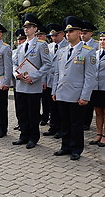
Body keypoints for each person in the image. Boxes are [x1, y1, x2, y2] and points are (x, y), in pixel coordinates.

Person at [52, 16, 96, 160]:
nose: (68, 34)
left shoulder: (87, 51)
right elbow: (57, 73)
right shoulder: (62, 51)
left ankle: (76, 148)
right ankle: (65, 146)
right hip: (62, 92)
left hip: (77, 94)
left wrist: (85, 96)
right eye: (67, 31)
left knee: (76, 123)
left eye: (71, 31)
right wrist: (54, 90)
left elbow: (90, 76)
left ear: (79, 32)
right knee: (64, 122)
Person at [12, 13, 51, 149]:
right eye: (25, 27)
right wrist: (16, 74)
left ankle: (33, 137)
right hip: (21, 84)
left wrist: (34, 76)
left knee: (33, 113)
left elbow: (47, 64)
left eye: (29, 27)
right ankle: (24, 135)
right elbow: (14, 63)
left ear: (35, 29)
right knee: (22, 112)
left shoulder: (41, 45)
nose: (26, 29)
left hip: (33, 85)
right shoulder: (21, 46)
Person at [42, 23, 68, 138]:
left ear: (62, 34)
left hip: (61, 81)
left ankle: (61, 129)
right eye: (52, 36)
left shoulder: (67, 46)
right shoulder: (49, 46)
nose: (53, 38)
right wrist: (43, 80)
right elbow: (45, 64)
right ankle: (53, 127)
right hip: (49, 80)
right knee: (51, 105)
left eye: (56, 35)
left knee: (60, 107)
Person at [12, 29, 26, 131]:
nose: (19, 41)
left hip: (27, 80)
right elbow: (13, 65)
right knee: (19, 105)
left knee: (27, 106)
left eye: (22, 39)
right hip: (17, 81)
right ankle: (20, 122)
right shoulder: (14, 52)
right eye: (18, 40)